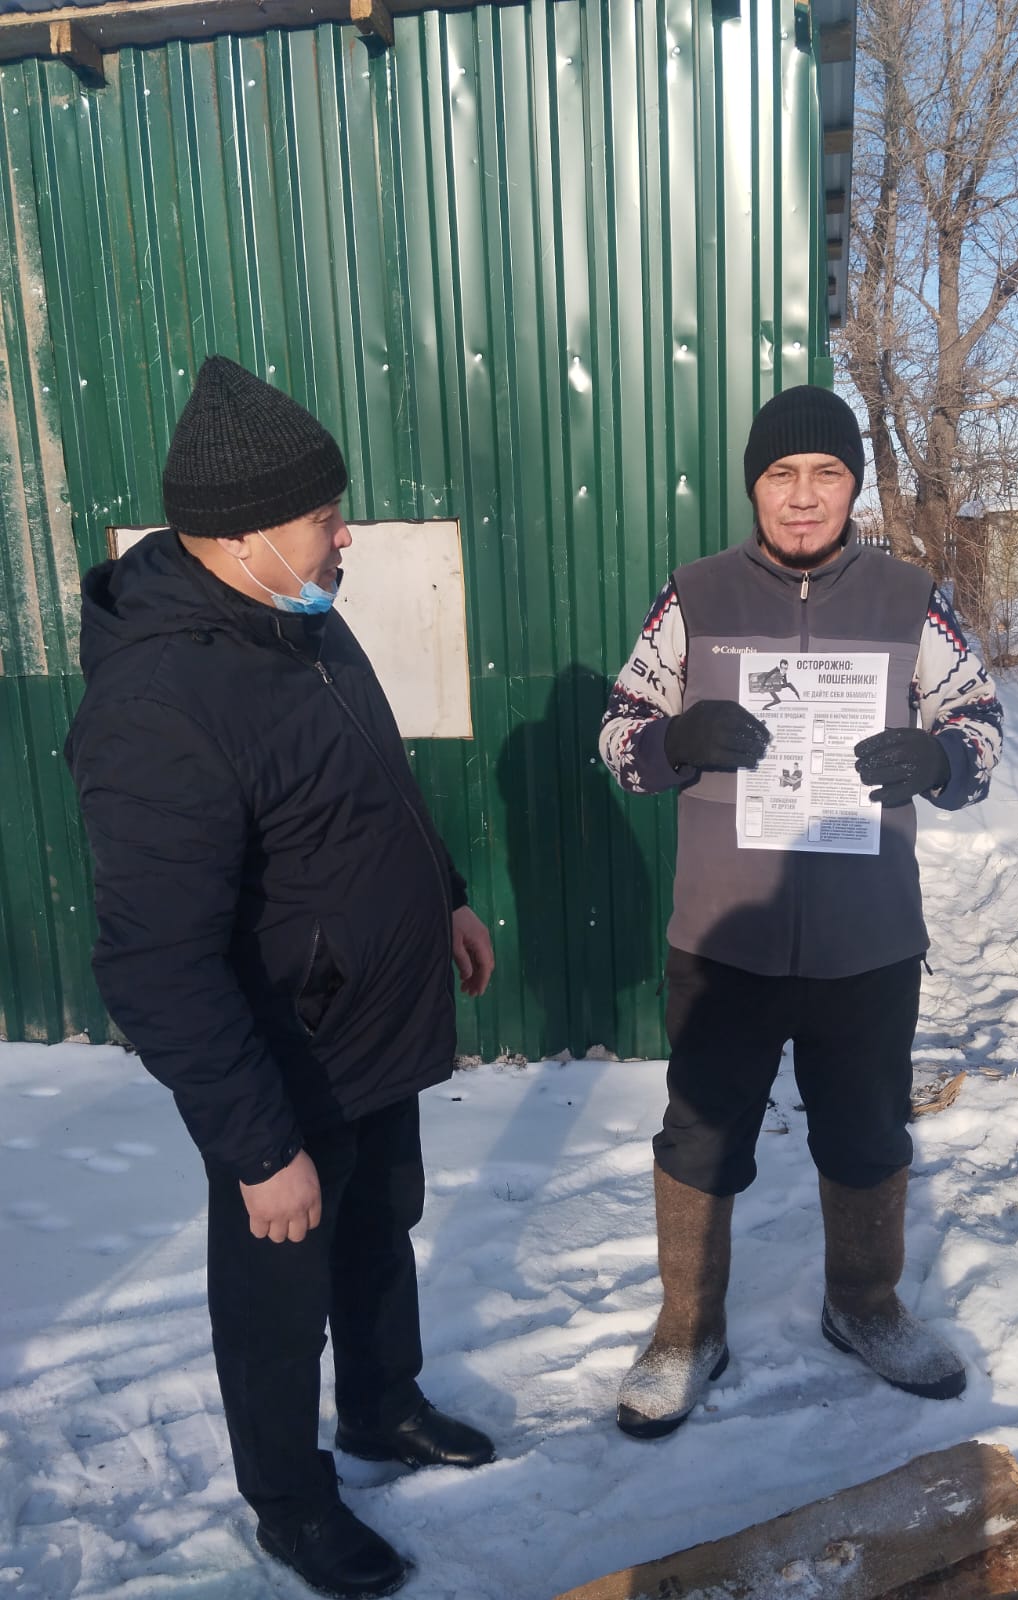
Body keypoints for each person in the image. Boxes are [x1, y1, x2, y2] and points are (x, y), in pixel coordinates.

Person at [65, 356, 496, 1598]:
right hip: (281, 1065)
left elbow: (369, 777)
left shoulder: (296, 612)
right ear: (241, 533)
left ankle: (381, 1406)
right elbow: (155, 963)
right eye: (323, 514)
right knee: (275, 1300)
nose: (344, 533)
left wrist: (445, 892)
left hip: (371, 1027)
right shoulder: (159, 703)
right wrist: (259, 1148)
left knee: (380, 1228)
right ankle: (290, 1503)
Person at [598, 384, 1003, 1439]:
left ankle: (864, 1305)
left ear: (854, 486)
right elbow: (621, 728)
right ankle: (687, 1328)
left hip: (867, 939)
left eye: (826, 473)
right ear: (754, 486)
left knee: (866, 1130)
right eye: (781, 474)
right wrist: (674, 741)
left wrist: (941, 758)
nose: (803, 495)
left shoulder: (911, 599)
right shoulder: (693, 597)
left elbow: (980, 719)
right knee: (699, 1134)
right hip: (724, 934)